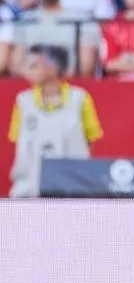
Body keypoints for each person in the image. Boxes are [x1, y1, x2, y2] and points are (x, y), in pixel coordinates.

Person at [7, 43, 103, 198]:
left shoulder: (80, 99)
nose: (27, 71)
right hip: (29, 189)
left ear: (54, 69)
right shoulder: (23, 101)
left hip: (72, 188)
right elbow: (19, 142)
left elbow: (90, 140)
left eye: (34, 65)